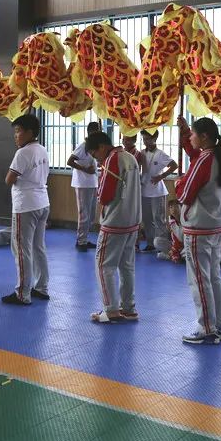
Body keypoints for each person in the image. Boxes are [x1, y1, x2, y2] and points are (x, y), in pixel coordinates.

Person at [176, 116, 221, 344]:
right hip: (215, 224)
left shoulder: (204, 160)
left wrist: (178, 182)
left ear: (204, 136)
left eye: (193, 134)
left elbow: (184, 193)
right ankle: (217, 325)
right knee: (213, 277)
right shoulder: (216, 155)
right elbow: (194, 155)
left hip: (199, 226)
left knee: (199, 279)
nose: (191, 137)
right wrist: (184, 132)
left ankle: (205, 327)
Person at [86, 131, 142, 323]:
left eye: (95, 154)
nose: (96, 158)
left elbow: (105, 195)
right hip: (132, 219)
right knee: (127, 266)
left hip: (115, 220)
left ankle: (111, 310)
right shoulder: (130, 157)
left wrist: (99, 196)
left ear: (102, 147)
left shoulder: (112, 160)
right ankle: (129, 308)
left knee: (104, 265)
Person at [1, 114, 51, 306]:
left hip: (26, 206)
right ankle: (41, 287)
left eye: (18, 131)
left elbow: (9, 179)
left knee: (22, 249)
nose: (16, 135)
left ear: (30, 132)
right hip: (42, 203)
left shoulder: (23, 153)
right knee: (38, 247)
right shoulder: (42, 149)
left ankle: (22, 293)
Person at [140, 130, 178, 254]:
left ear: (155, 138)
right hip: (144, 190)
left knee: (159, 219)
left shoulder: (160, 154)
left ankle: (162, 246)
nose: (145, 142)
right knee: (147, 219)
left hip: (158, 192)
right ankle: (150, 244)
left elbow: (174, 165)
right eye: (144, 139)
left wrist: (161, 177)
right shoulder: (141, 153)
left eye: (148, 139)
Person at [68, 121, 101, 251]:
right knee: (84, 214)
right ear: (91, 132)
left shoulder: (95, 147)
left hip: (92, 183)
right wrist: (85, 169)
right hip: (82, 184)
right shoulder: (83, 146)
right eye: (96, 131)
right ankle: (81, 241)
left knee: (91, 214)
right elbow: (70, 161)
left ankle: (85, 239)